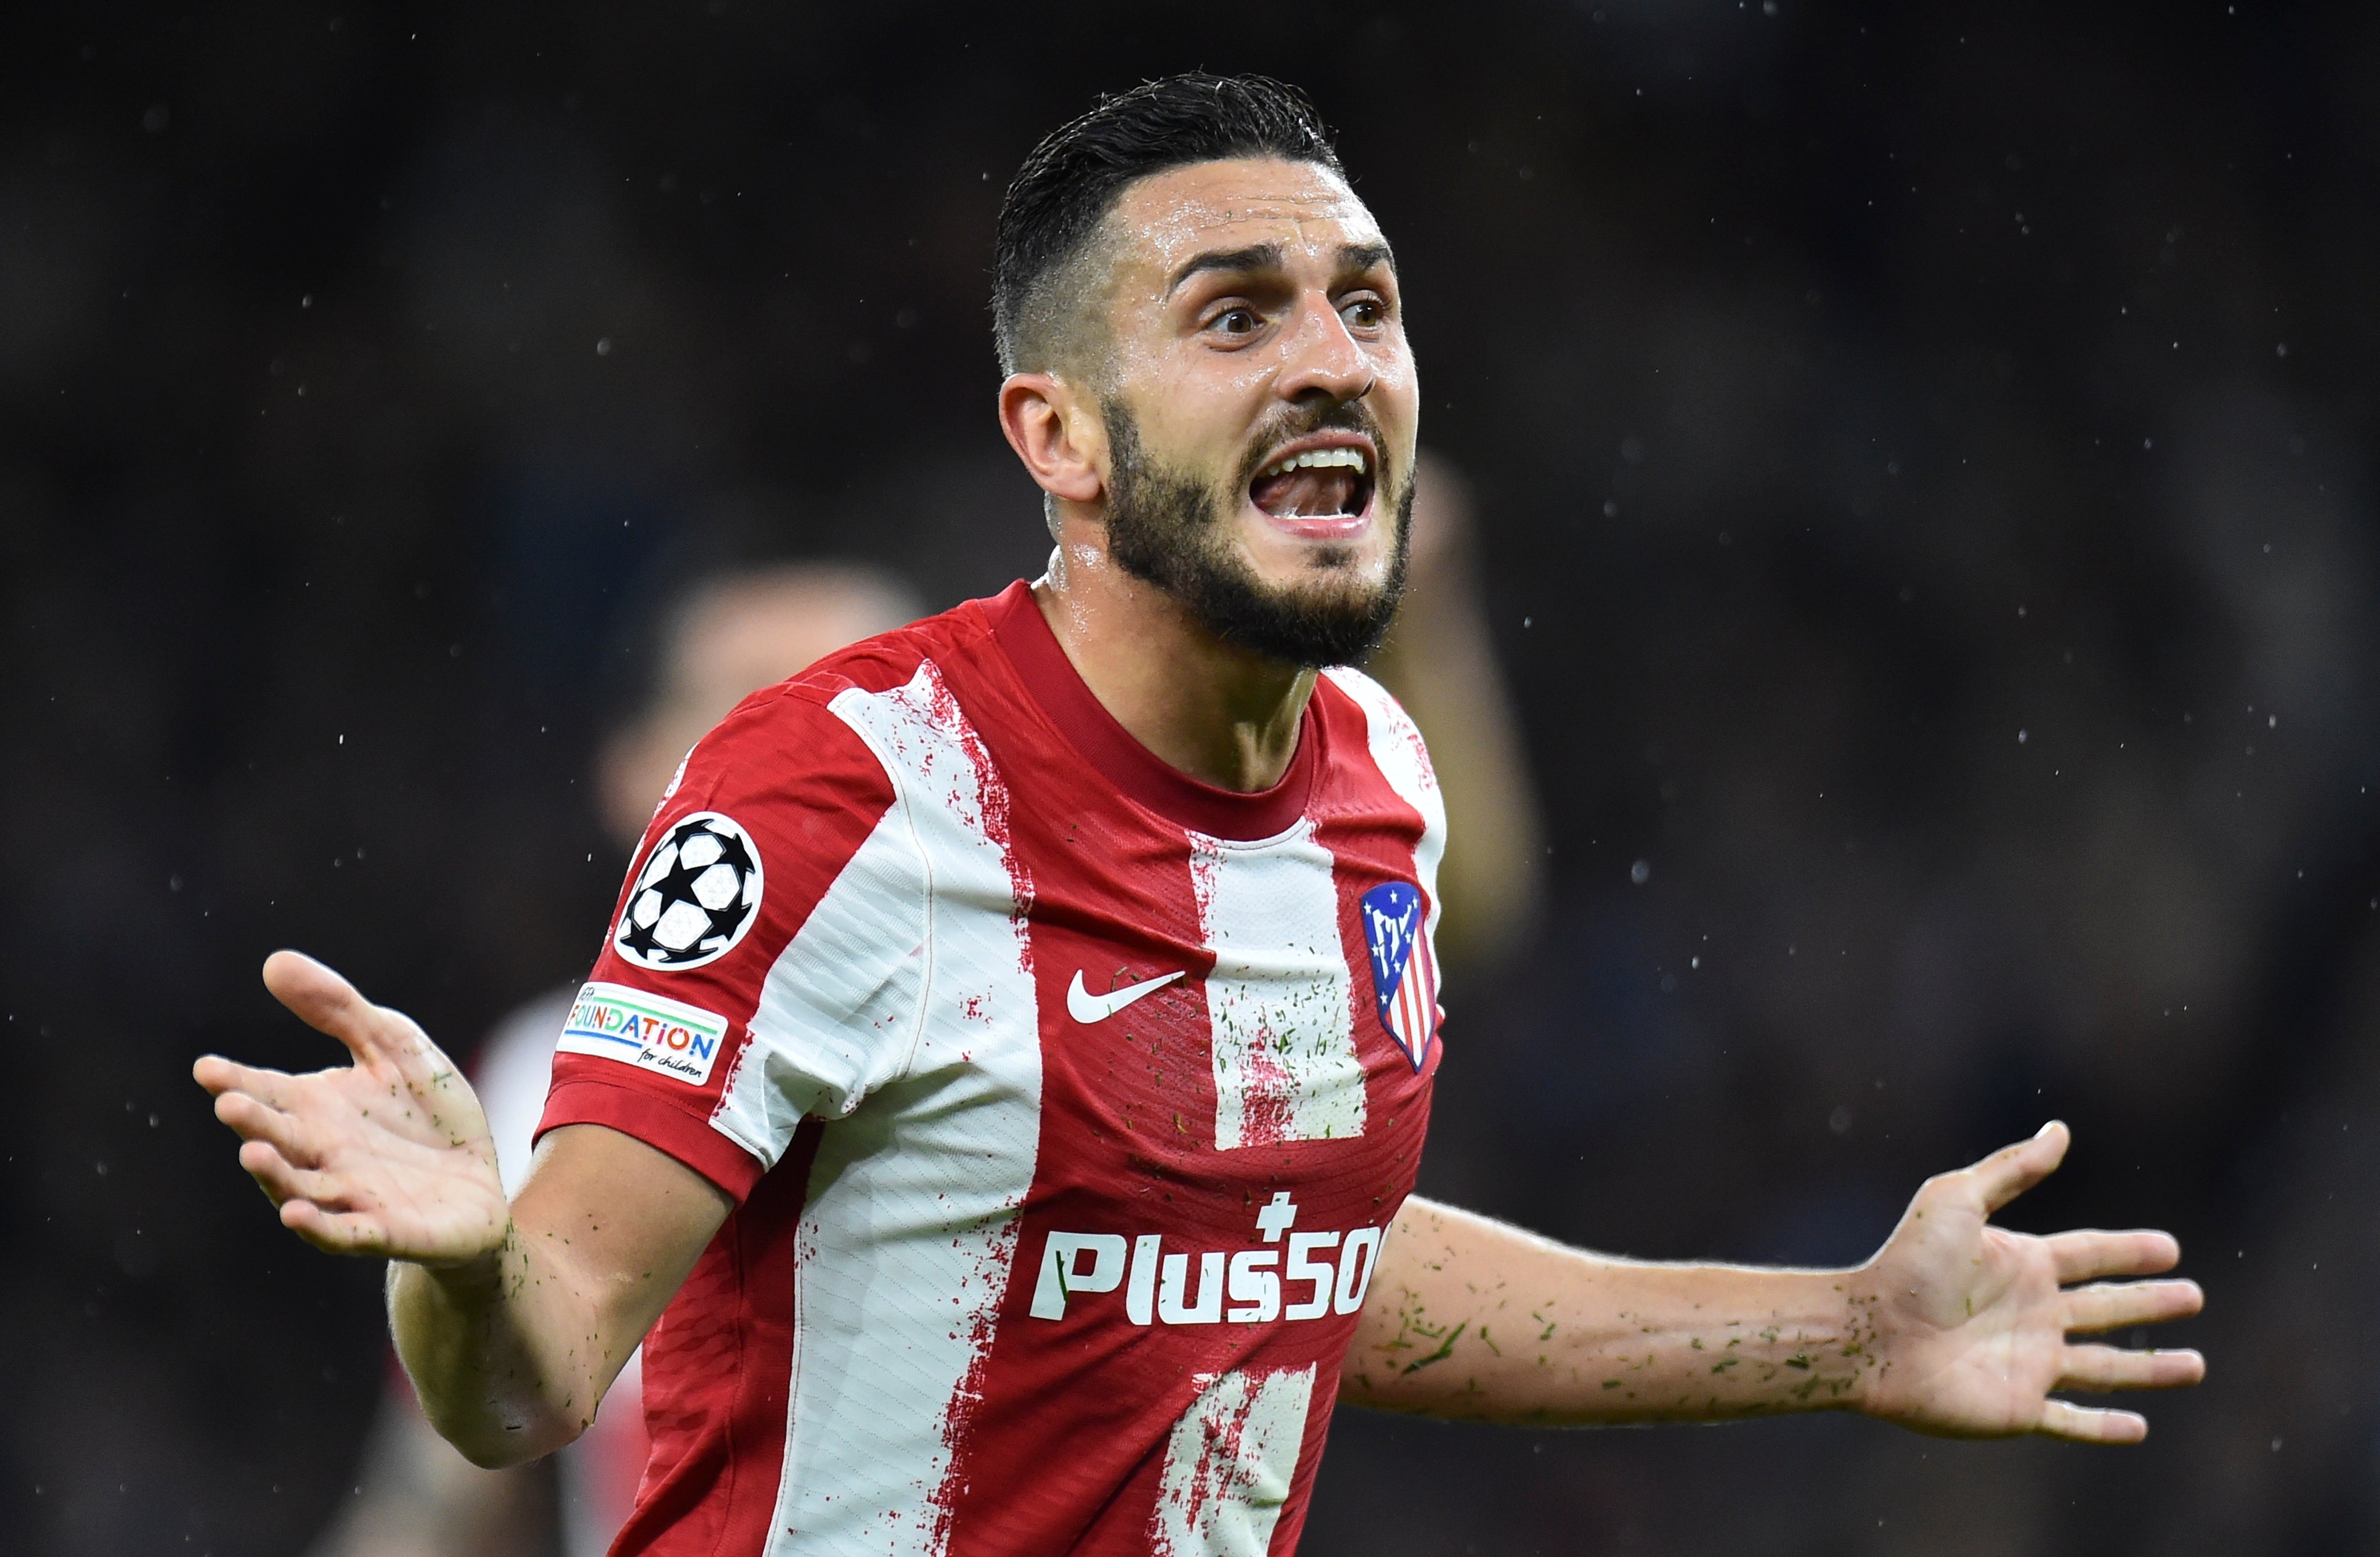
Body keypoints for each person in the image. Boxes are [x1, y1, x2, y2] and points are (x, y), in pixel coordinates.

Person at [198, 75, 2205, 1556]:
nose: (1332, 361)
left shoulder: (1376, 784)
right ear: (1056, 438)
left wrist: (1843, 1331)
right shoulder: (846, 788)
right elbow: (529, 1382)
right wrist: (466, 1258)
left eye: (1365, 303)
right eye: (1235, 315)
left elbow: (1298, 1255)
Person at [306, 561, 919, 1557]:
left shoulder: (1085, 1045)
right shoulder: (526, 1078)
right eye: (755, 715)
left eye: (861, 712)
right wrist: (470, 1285)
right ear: (635, 771)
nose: (814, 766)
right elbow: (445, 1495)